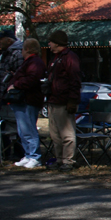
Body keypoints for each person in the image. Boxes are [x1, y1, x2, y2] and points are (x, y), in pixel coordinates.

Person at [45, 30, 82, 172]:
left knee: (67, 133)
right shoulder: (55, 58)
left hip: (64, 100)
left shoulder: (69, 57)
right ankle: (60, 159)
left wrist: (72, 100)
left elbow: (74, 79)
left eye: (51, 41)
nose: (49, 44)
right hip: (53, 100)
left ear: (57, 43)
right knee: (55, 135)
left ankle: (68, 160)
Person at [6, 39, 45, 168]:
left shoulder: (34, 62)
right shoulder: (30, 62)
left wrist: (16, 83)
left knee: (28, 129)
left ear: (27, 49)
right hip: (23, 100)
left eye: (23, 48)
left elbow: (32, 79)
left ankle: (34, 156)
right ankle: (28, 154)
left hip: (28, 99)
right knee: (23, 130)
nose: (21, 51)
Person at [0, 30, 23, 103]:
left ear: (9, 41)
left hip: (13, 96)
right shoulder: (7, 53)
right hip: (5, 95)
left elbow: (21, 75)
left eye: (1, 39)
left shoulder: (17, 54)